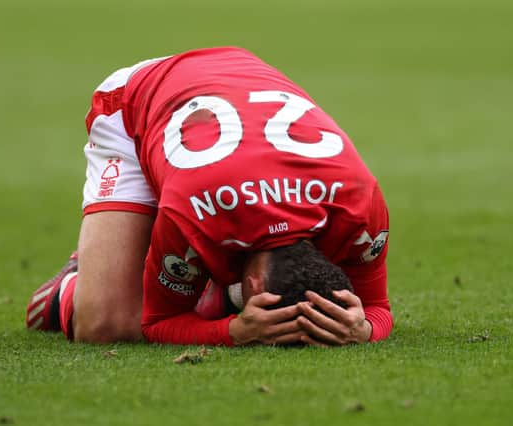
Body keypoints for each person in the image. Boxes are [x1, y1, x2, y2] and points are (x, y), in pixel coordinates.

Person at [26, 47, 392, 346]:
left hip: (231, 94)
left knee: (174, 279)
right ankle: (71, 283)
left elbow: (376, 307)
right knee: (109, 325)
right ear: (252, 287)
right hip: (138, 102)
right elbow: (157, 322)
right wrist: (233, 332)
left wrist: (364, 328)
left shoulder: (361, 204)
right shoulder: (194, 211)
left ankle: (215, 295)